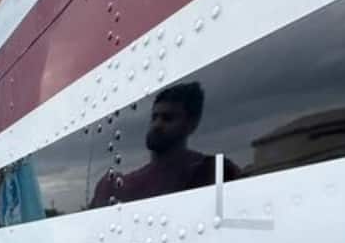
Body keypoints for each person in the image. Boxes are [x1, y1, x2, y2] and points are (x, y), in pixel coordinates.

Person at [90, 81, 241, 207]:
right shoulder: (118, 185)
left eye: (167, 118)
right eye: (154, 117)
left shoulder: (212, 170)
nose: (157, 124)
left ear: (192, 124)